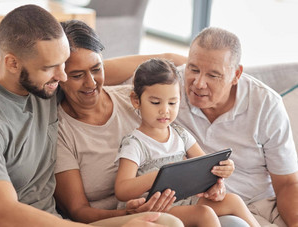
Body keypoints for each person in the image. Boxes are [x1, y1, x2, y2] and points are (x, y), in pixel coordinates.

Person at [0, 5, 182, 227]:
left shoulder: (42, 84)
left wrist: (185, 62)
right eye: (52, 67)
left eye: (65, 65)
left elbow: (113, 70)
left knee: (169, 223)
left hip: (58, 221)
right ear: (12, 63)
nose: (63, 76)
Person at [54, 20, 248, 227]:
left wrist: (216, 181)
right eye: (76, 75)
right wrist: (131, 213)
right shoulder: (61, 131)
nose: (91, 83)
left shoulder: (142, 98)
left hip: (174, 202)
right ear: (59, 75)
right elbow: (79, 211)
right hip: (119, 217)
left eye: (96, 69)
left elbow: (172, 69)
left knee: (233, 213)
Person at [104, 27, 298, 227]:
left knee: (232, 206)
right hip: (177, 205)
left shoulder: (266, 104)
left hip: (242, 203)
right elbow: (100, 74)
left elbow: (287, 184)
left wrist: (220, 178)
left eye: (213, 75)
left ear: (236, 74)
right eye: (193, 69)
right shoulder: (168, 87)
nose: (198, 84)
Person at [114, 58, 260, 227]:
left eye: (172, 102)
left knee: (234, 200)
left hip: (185, 200)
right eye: (155, 102)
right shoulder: (135, 143)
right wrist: (159, 176)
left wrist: (222, 173)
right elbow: (122, 190)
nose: (165, 110)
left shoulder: (180, 134)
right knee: (204, 214)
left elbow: (206, 166)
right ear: (136, 100)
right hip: (156, 207)